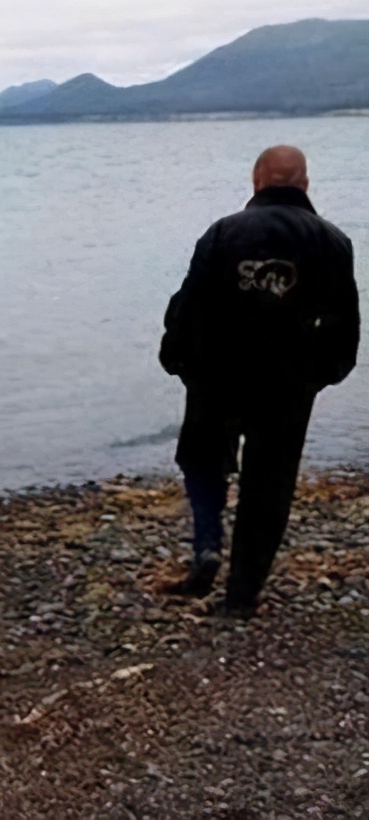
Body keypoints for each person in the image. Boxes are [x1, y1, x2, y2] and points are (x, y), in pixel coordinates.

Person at [159, 145, 360, 615]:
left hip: (217, 374)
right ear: (305, 186)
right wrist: (323, 375)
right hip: (288, 384)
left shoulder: (224, 232)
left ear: (256, 182)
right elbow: (343, 325)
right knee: (269, 485)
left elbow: (189, 305)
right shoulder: (333, 242)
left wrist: (177, 358)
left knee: (202, 457)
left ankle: (208, 546)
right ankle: (241, 595)